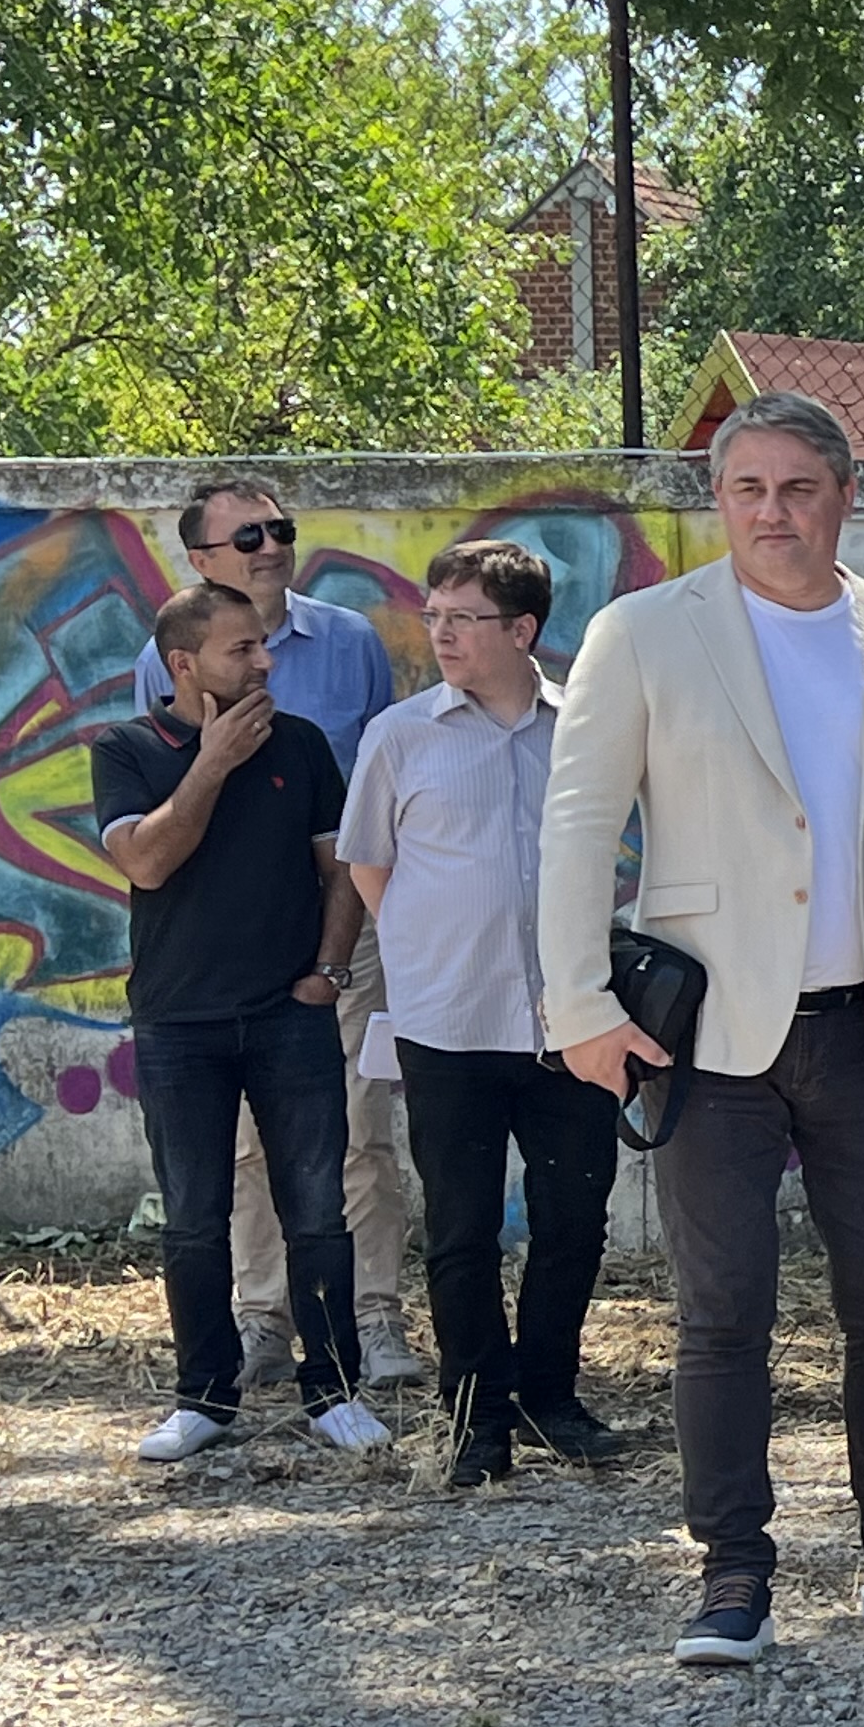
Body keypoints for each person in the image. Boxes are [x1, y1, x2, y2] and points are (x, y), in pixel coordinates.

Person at [539, 389, 864, 1666]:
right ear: (719, 502)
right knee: (722, 1312)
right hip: (705, 1035)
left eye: (798, 488)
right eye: (746, 489)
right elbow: (577, 827)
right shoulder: (644, 634)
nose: (772, 513)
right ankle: (733, 1572)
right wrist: (578, 1005)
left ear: (846, 496)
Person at [337, 540, 627, 1488]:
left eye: (464, 618)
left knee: (572, 1220)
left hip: (570, 1024)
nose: (442, 634)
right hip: (449, 1024)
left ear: (523, 629)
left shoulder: (586, 730)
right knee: (461, 1230)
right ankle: (474, 1417)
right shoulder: (401, 736)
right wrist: (434, 946)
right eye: (435, 616)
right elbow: (370, 864)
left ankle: (550, 1396)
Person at [128, 476, 419, 1395]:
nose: (271, 547)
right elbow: (166, 796)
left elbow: (374, 785)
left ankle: (373, 1317)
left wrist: (345, 942)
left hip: (340, 921)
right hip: (232, 941)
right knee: (248, 1143)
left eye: (280, 529)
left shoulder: (349, 641)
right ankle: (262, 1319)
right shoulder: (166, 655)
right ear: (201, 560)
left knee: (360, 1127)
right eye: (247, 536)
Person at [98, 582, 396, 1464]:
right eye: (242, 650)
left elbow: (340, 867)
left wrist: (328, 973)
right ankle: (204, 1398)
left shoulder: (299, 745)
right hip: (177, 1023)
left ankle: (334, 1392)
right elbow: (146, 863)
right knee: (194, 1218)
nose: (265, 662)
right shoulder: (126, 749)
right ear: (184, 665)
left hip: (288, 1016)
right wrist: (212, 763)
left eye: (264, 644)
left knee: (318, 1211)